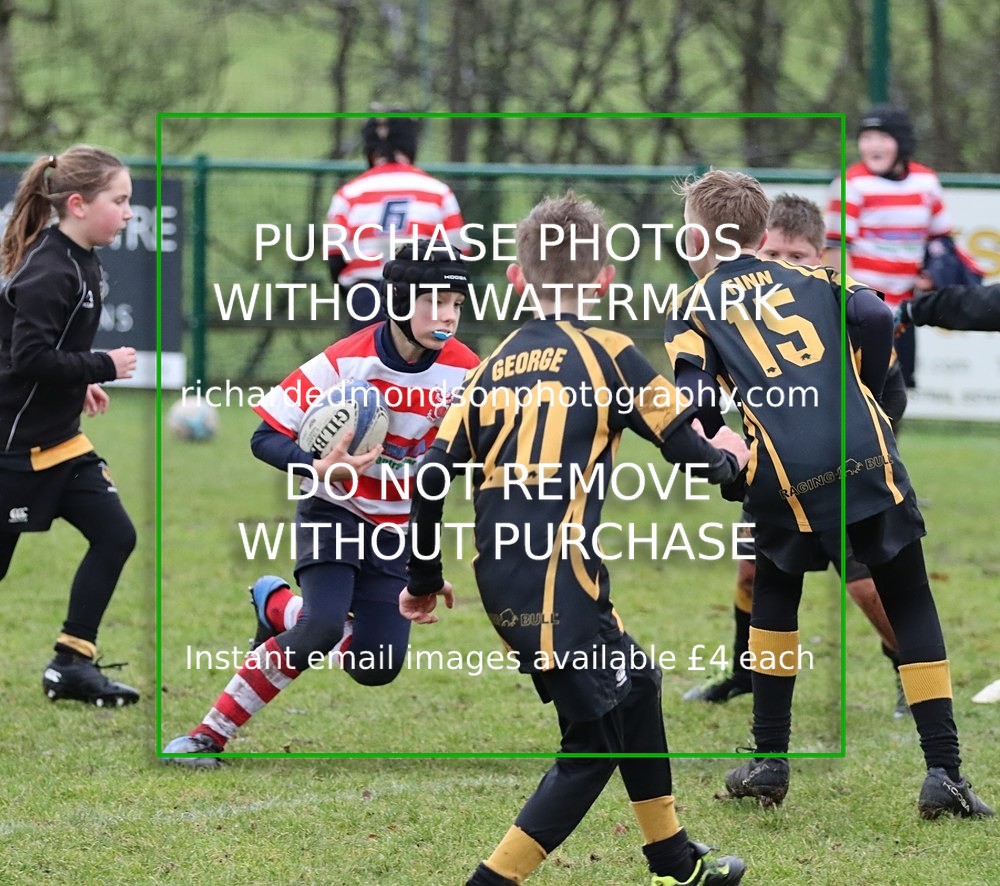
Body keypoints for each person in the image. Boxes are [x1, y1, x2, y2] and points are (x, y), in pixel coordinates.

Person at [400, 192, 751, 886]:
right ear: (605, 281)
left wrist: (420, 578)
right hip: (558, 582)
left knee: (639, 684)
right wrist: (735, 470)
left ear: (516, 278)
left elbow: (430, 476)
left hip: (507, 579)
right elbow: (683, 441)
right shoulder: (611, 354)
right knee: (590, 744)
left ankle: (673, 860)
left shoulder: (487, 369)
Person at [665, 169, 993, 819]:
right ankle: (944, 772)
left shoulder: (695, 306)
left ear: (693, 238)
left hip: (782, 470)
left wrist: (718, 455)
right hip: (867, 457)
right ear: (763, 236)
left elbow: (695, 399)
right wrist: (869, 384)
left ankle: (769, 759)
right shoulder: (818, 280)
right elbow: (873, 312)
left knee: (777, 597)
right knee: (910, 600)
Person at [162, 240, 479, 766]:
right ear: (400, 301)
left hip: (396, 529)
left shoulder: (467, 372)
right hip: (334, 511)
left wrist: (425, 570)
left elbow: (445, 478)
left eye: (456, 304)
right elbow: (264, 436)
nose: (447, 315)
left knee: (377, 666)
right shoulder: (346, 361)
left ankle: (276, 605)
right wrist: (318, 468)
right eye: (434, 302)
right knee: (323, 628)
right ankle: (206, 735)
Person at [682, 194, 911, 718]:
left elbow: (891, 397)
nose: (784, 268)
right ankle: (744, 672)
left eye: (797, 258)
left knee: (865, 587)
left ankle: (906, 664)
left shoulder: (836, 305)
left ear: (822, 254)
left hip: (846, 473)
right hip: (775, 473)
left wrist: (851, 440)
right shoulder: (737, 312)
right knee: (751, 576)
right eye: (775, 256)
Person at [0, 146, 140, 707]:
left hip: (57, 440)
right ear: (78, 204)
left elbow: (43, 353)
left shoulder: (81, 259)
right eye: (120, 200)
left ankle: (72, 663)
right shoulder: (49, 269)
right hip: (13, 447)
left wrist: (79, 380)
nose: (129, 212)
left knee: (115, 533)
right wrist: (103, 365)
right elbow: (27, 359)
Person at [825, 104, 953, 389]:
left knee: (896, 395)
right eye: (866, 137)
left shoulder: (926, 182)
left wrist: (932, 276)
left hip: (904, 312)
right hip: (864, 311)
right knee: (857, 393)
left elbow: (941, 242)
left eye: (882, 137)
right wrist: (852, 303)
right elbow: (836, 251)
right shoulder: (849, 184)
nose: (873, 145)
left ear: (902, 142)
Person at [325, 114, 465, 333]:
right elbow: (459, 253)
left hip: (367, 294)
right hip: (424, 294)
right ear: (411, 146)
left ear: (370, 149)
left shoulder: (349, 195)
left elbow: (334, 257)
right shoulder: (438, 193)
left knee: (368, 361)